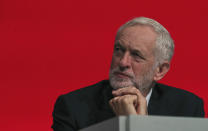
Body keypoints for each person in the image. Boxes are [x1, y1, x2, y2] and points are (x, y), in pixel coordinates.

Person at [51, 17, 205, 131]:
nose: (123, 62)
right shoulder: (73, 107)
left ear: (160, 70)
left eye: (136, 55)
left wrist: (138, 124)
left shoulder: (187, 107)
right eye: (119, 50)